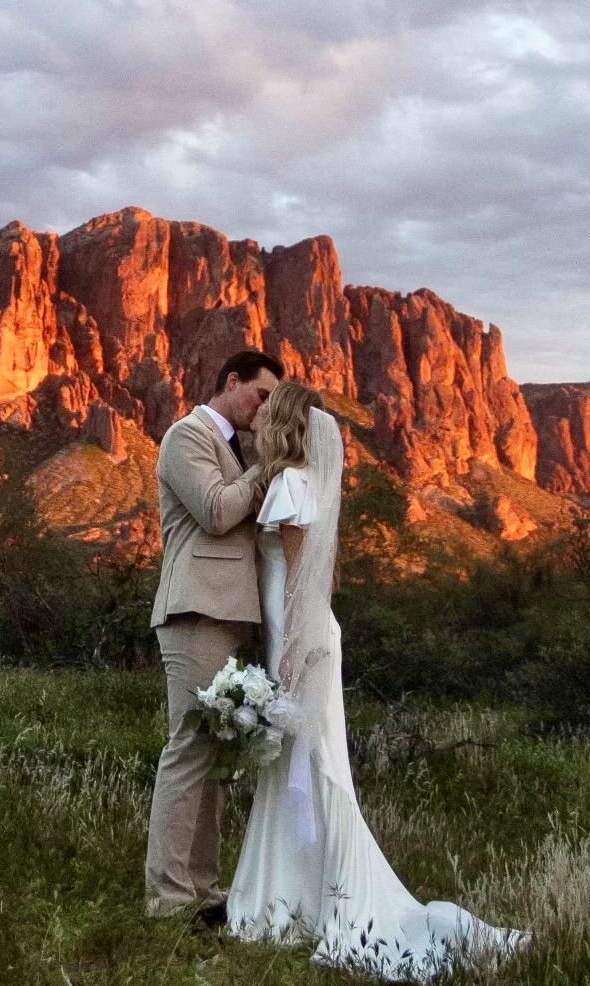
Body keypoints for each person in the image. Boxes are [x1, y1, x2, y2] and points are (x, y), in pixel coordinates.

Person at [227, 380, 529, 980]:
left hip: (300, 640)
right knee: (303, 771)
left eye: (266, 408)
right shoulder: (306, 483)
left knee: (312, 769)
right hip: (309, 636)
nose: (256, 416)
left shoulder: (289, 484)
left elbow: (292, 586)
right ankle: (298, 896)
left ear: (282, 421)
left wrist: (286, 662)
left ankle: (299, 903)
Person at [145, 348, 283, 922]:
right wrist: (266, 468)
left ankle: (202, 889)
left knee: (215, 755)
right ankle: (169, 899)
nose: (265, 408)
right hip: (195, 611)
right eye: (262, 395)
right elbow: (217, 511)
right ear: (232, 380)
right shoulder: (187, 435)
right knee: (188, 749)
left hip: (226, 616)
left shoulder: (231, 445)